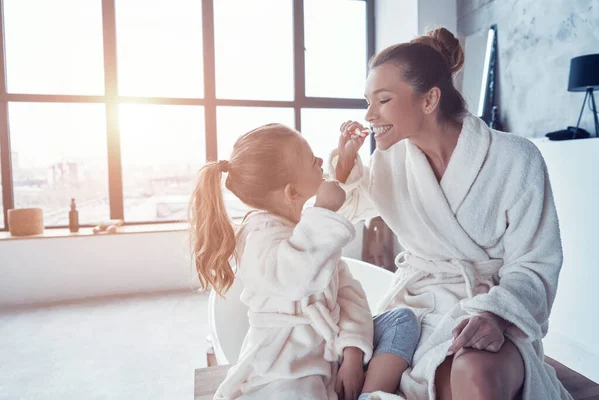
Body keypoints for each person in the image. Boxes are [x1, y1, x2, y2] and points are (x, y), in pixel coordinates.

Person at [330, 27, 572, 400]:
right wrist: (344, 167)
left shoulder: (515, 159)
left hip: (488, 308)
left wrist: (494, 314)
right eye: (368, 101)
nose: (368, 115)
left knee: (473, 373)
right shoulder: (389, 161)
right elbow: (344, 212)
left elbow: (535, 264)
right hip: (416, 310)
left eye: (383, 100)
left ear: (429, 100)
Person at [189, 123, 419, 400]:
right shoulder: (259, 238)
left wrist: (353, 354)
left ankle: (368, 394)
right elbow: (296, 279)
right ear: (292, 192)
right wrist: (323, 210)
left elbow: (348, 293)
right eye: (312, 161)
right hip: (286, 364)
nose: (321, 161)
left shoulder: (309, 227)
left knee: (402, 320)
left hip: (331, 348)